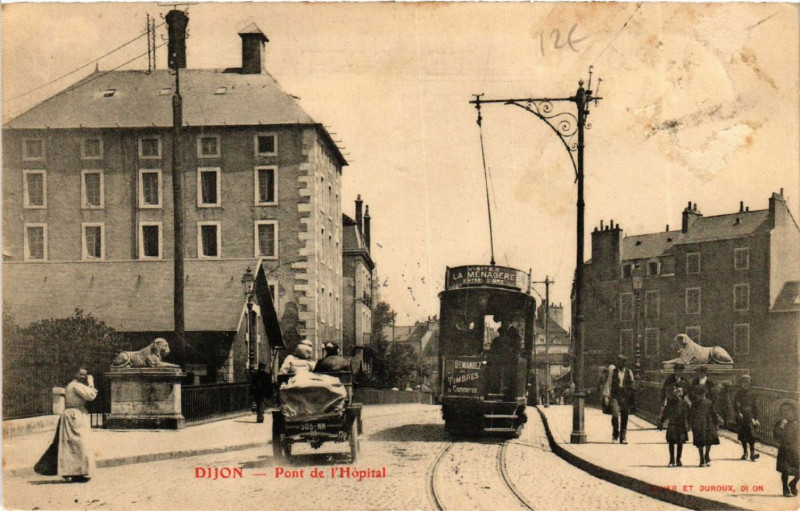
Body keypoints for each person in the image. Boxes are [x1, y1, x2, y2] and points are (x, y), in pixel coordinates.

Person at [35, 368, 98, 483]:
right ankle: (74, 473)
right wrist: (91, 383)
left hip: (76, 415)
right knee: (78, 445)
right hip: (74, 416)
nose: (83, 376)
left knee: (76, 446)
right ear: (75, 374)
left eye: (85, 375)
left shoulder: (76, 385)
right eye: (81, 374)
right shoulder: (75, 385)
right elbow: (91, 396)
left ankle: (76, 472)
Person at [603, 355, 637, 444]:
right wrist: (606, 396)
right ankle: (615, 435)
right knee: (615, 414)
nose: (620, 364)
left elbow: (633, 385)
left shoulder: (629, 372)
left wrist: (632, 396)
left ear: (625, 363)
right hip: (615, 395)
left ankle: (623, 437)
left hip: (625, 396)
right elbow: (609, 383)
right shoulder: (613, 372)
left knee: (624, 416)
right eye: (619, 362)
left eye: (622, 362)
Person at [690, 385, 719, 467]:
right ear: (697, 395)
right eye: (699, 394)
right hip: (698, 424)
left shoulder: (709, 403)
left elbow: (713, 414)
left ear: (705, 394)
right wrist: (692, 425)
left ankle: (707, 455)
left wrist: (716, 424)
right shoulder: (694, 404)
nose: (701, 396)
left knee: (709, 440)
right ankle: (702, 459)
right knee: (700, 442)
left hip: (709, 423)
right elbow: (691, 415)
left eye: (703, 394)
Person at [774, 403, 799, 497]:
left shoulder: (797, 423)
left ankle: (793, 483)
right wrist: (782, 426)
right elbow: (776, 436)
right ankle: (785, 488)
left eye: (789, 411)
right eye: (784, 412)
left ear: (793, 412)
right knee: (785, 470)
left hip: (796, 449)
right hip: (785, 449)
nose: (787, 413)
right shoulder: (780, 423)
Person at [734, 375, 760, 461]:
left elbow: (756, 406)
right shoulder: (738, 394)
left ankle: (752, 453)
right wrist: (738, 412)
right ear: (741, 383)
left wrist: (756, 418)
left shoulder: (752, 394)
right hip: (742, 416)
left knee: (751, 435)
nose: (746, 384)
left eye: (747, 382)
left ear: (750, 383)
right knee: (742, 435)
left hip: (750, 416)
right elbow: (736, 404)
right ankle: (745, 452)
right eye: (744, 382)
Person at [664, 384, 690, 467]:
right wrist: (661, 421)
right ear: (674, 393)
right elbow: (666, 412)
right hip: (672, 424)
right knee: (671, 442)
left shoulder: (684, 403)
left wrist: (689, 424)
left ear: (682, 393)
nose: (678, 393)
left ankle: (678, 459)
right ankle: (672, 460)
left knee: (680, 442)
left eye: (680, 392)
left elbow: (688, 415)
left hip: (681, 425)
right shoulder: (670, 403)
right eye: (676, 391)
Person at [659, 363, 690, 430]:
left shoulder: (684, 380)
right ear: (675, 371)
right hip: (671, 400)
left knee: (681, 416)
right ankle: (662, 423)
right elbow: (664, 390)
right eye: (678, 370)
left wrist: (683, 394)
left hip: (680, 401)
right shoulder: (669, 379)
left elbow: (687, 390)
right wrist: (663, 401)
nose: (679, 372)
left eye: (681, 370)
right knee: (670, 415)